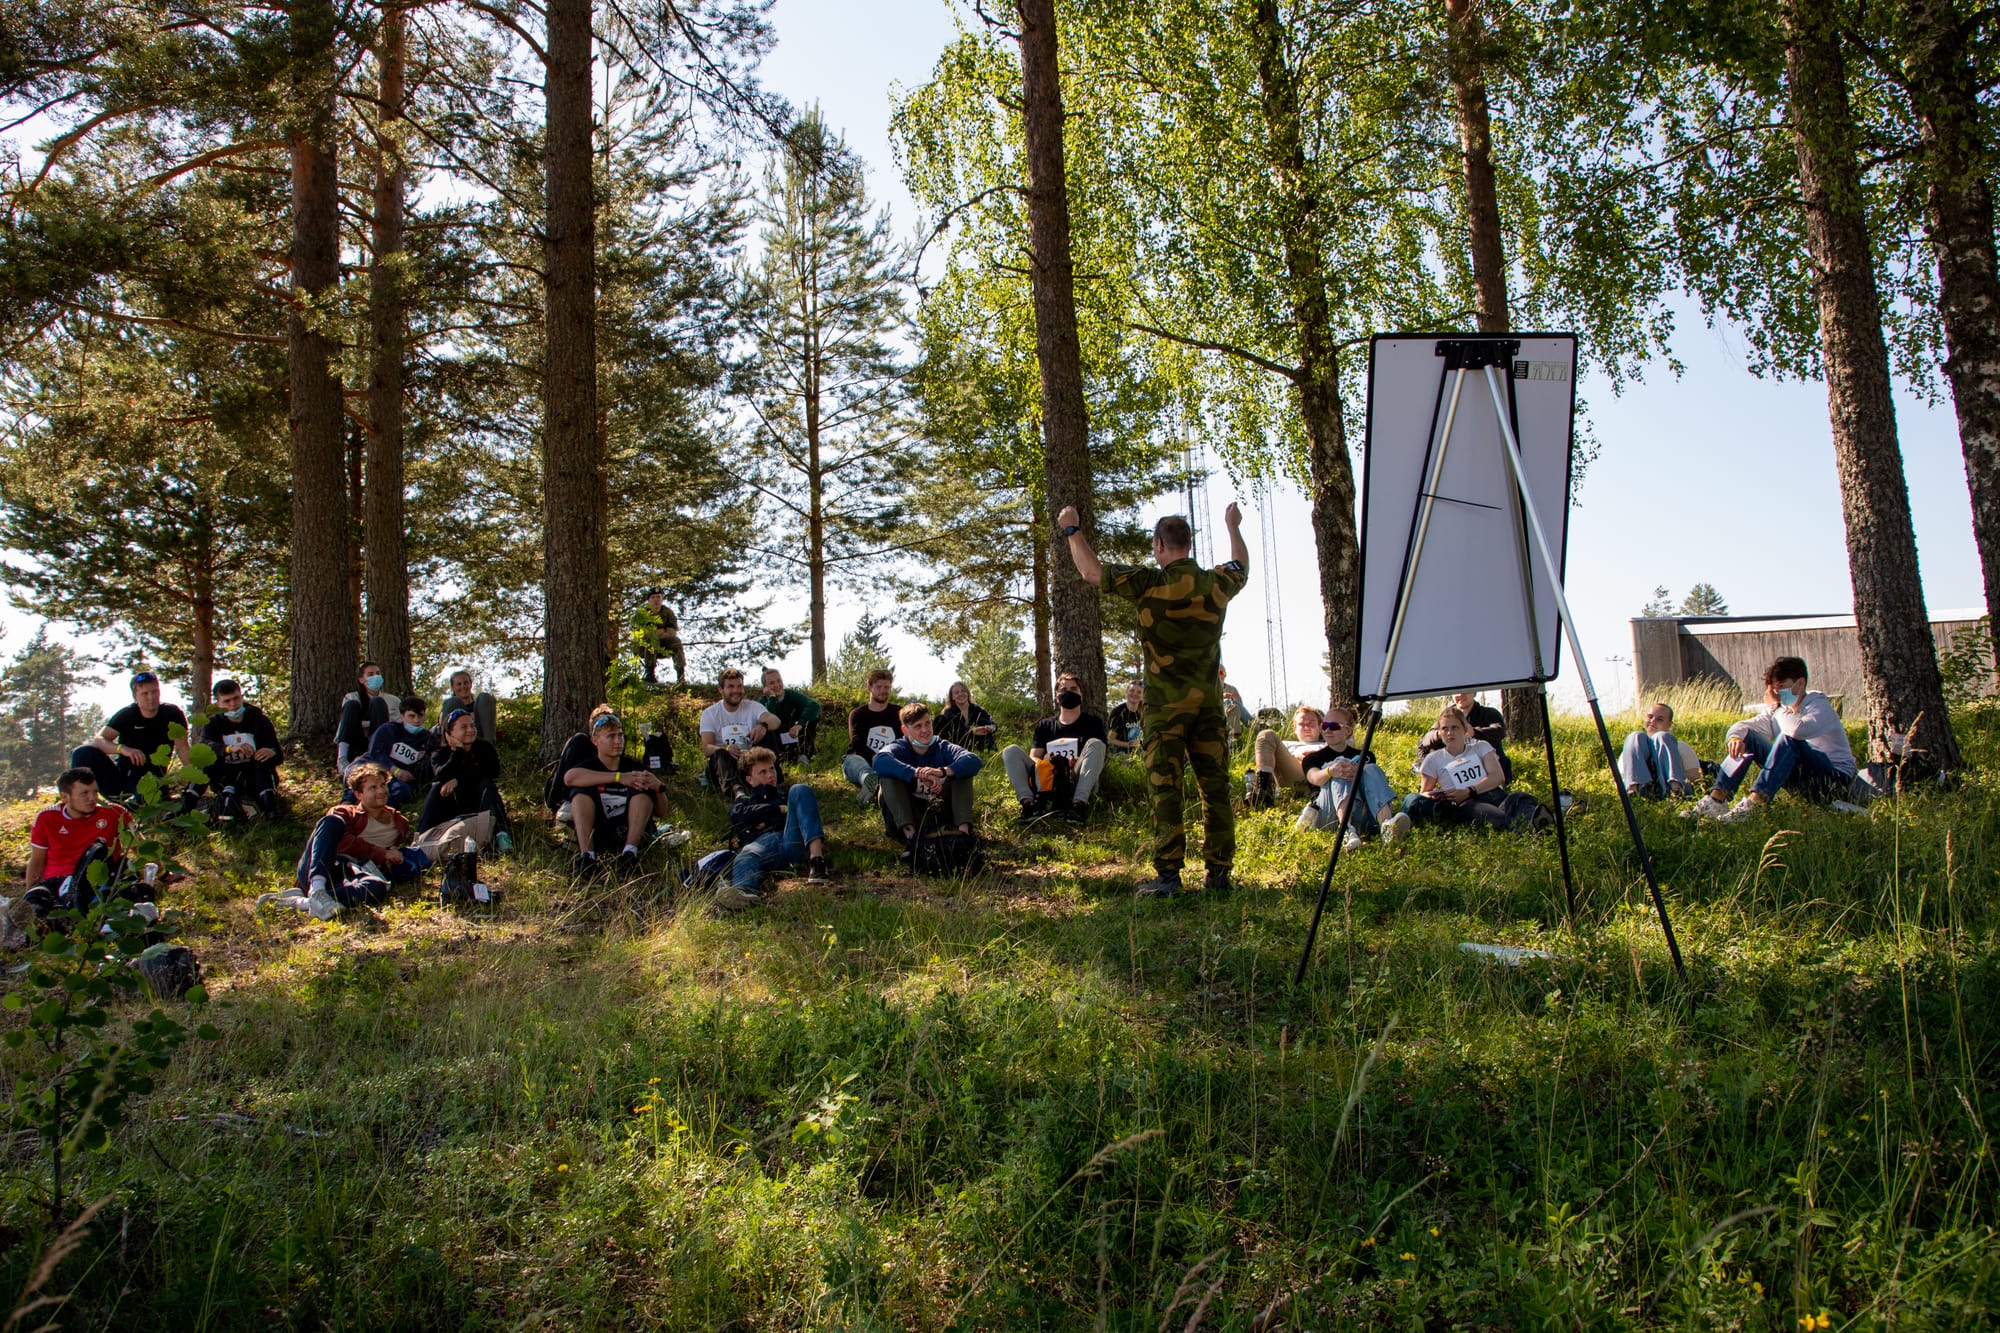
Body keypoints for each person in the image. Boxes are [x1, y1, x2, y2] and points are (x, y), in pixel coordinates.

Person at [1064, 503, 1248, 898]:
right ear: (1188, 544)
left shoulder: (1148, 582)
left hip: (1164, 712)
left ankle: (1169, 877)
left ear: (1160, 545)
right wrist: (1232, 525)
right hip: (1209, 710)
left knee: (1166, 790)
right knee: (1215, 789)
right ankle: (1218, 875)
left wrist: (1071, 530)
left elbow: (1090, 572)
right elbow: (1240, 564)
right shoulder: (1216, 583)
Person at [1685, 656, 1857, 822]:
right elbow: (1744, 726)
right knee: (1747, 738)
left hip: (1834, 779)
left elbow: (1797, 730)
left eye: (1782, 687)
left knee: (1788, 739)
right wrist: (1735, 738)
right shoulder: (1781, 711)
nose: (1777, 694)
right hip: (1801, 777)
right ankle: (1716, 800)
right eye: (1774, 690)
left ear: (1801, 683)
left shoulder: (1818, 705)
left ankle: (1756, 803)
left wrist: (1775, 707)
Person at [275, 762, 425, 921]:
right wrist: (382, 853)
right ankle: (316, 889)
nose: (381, 791)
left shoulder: (400, 822)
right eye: (373, 788)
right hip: (325, 865)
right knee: (331, 821)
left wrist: (392, 856)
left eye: (383, 785)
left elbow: (387, 856)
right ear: (358, 795)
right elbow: (343, 843)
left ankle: (302, 903)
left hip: (355, 872)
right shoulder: (343, 813)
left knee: (377, 887)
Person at [19, 768, 142, 927]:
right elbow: (37, 860)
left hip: (98, 880)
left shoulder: (114, 813)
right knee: (36, 905)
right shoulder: (47, 818)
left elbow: (141, 847)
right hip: (57, 882)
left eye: (95, 792)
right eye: (84, 793)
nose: (92, 798)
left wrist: (162, 873)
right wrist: (30, 891)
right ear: (65, 797)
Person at [715, 746, 830, 911]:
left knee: (800, 789)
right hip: (762, 846)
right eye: (762, 772)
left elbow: (801, 814)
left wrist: (766, 816)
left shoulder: (787, 796)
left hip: (790, 839)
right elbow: (738, 816)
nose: (770, 775)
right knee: (746, 855)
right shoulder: (744, 802)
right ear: (749, 779)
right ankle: (744, 894)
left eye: (772, 769)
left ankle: (817, 862)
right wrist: (777, 810)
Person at [556, 706, 663, 876]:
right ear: (595, 741)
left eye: (620, 735)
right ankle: (587, 857)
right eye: (611, 736)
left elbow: (662, 812)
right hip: (599, 830)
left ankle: (629, 855)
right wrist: (618, 778)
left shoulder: (634, 767)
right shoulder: (588, 767)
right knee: (580, 795)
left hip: (627, 830)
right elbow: (570, 778)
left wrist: (659, 787)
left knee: (642, 794)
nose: (618, 741)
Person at [1405, 705, 1549, 832]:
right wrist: (1440, 796)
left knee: (1519, 798)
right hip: (1468, 803)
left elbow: (1498, 776)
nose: (1450, 733)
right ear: (1440, 732)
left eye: (1455, 728)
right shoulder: (1434, 759)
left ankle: (1537, 820)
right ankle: (1531, 826)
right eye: (1445, 729)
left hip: (1495, 794)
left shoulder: (1481, 747)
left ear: (1465, 729)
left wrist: (1470, 790)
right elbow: (1424, 793)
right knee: (1482, 812)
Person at [1001, 671, 1109, 824]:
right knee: (1010, 751)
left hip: (1077, 779)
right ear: (1057, 697)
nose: (1069, 693)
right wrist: (1047, 763)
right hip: (1047, 780)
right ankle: (1030, 805)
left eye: (1073, 689)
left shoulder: (1093, 723)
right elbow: (1034, 756)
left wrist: (1075, 762)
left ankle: (1078, 806)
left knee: (1096, 744)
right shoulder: (1045, 725)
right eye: (1064, 690)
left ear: (1081, 695)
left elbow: (1099, 754)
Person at [872, 702, 983, 847]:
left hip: (939, 813)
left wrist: (942, 771)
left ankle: (963, 834)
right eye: (917, 726)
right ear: (905, 730)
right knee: (888, 775)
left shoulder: (942, 746)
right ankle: (912, 839)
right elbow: (879, 760)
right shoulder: (899, 747)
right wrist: (917, 773)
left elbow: (974, 760)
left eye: (927, 723)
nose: (925, 730)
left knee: (962, 770)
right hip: (911, 816)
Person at [1299, 706, 1412, 848]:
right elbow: (1314, 777)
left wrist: (1358, 770)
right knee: (1341, 765)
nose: (1327, 730)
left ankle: (1387, 825)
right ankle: (1346, 831)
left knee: (1370, 769)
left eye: (1333, 726)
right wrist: (1330, 771)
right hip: (1328, 815)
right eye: (1324, 726)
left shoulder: (1366, 756)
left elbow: (1371, 786)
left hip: (1361, 813)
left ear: (1348, 731)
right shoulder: (1313, 758)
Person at [70, 670, 191, 802]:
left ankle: (132, 807)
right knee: (81, 752)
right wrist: (123, 749)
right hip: (121, 777)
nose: (151, 697)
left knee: (142, 798)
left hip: (152, 778)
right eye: (145, 694)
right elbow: (98, 740)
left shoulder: (172, 714)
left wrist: (194, 780)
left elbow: (182, 748)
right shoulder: (128, 714)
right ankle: (80, 800)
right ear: (135, 696)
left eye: (154, 692)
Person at [420, 709, 512, 851]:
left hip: (479, 803)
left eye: (472, 725)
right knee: (437, 787)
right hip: (452, 805)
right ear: (449, 733)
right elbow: (440, 775)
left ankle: (501, 834)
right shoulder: (440, 753)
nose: (470, 730)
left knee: (487, 784)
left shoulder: (484, 748)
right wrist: (458, 751)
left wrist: (458, 780)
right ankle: (422, 838)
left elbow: (491, 771)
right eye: (464, 727)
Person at [198, 678, 284, 823]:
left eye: (236, 698)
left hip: (256, 775)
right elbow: (205, 746)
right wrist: (228, 749)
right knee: (206, 767)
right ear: (218, 704)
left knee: (261, 761)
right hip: (226, 776)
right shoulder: (213, 724)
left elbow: (278, 754)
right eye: (226, 701)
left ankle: (270, 810)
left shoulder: (260, 720)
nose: (233, 705)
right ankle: (187, 807)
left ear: (241, 697)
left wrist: (271, 752)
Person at [700, 668, 782, 798]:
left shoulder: (752, 706)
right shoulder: (710, 713)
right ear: (721, 689)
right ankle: (738, 792)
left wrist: (763, 725)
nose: (736, 691)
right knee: (719, 754)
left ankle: (770, 783)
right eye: (730, 687)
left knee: (769, 733)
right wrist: (727, 749)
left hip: (750, 762)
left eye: (739, 686)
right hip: (726, 763)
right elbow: (707, 747)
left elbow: (775, 721)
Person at [1417, 690, 1514, 783]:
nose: (1460, 695)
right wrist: (1442, 733)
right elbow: (1426, 740)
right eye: (1456, 692)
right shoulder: (1447, 716)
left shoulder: (1489, 713)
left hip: (1487, 772)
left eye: (1465, 692)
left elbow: (1500, 731)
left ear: (1474, 693)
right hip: (1457, 773)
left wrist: (1474, 732)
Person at [1246, 705, 1333, 808]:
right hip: (1289, 777)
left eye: (1311, 724)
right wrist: (1295, 756)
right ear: (1295, 729)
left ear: (1320, 728)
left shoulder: (1326, 745)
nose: (1306, 728)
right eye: (1301, 724)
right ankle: (1264, 792)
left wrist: (1313, 757)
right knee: (1266, 734)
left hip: (1316, 778)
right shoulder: (1284, 745)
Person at [1617, 702, 1702, 799]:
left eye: (1660, 719)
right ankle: (1635, 789)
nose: (1652, 721)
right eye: (1650, 717)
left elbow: (1695, 778)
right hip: (1642, 793)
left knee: (1662, 737)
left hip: (1671, 791)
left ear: (1669, 724)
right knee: (1635, 736)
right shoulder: (1631, 748)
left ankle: (1675, 788)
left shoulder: (1681, 747)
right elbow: (1621, 778)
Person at [363, 695, 435, 807]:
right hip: (374, 769)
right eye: (411, 716)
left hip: (402, 781)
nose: (416, 720)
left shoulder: (428, 738)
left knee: (402, 791)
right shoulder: (388, 730)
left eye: (420, 716)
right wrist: (395, 770)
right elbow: (376, 753)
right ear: (402, 716)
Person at [844, 668, 902, 806]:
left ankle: (877, 790)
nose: (883, 691)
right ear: (869, 687)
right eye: (879, 687)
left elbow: (903, 740)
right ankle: (870, 780)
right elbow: (856, 741)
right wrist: (875, 756)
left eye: (887, 687)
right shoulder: (858, 714)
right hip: (859, 759)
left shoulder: (899, 713)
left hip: (889, 761)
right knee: (859, 765)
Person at [334, 661, 401, 775]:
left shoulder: (393, 700)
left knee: (378, 702)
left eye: (378, 673)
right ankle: (342, 759)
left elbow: (396, 725)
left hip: (379, 742)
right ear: (361, 680)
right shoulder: (352, 697)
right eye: (370, 674)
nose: (375, 677)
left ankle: (376, 756)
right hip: (356, 742)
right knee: (352, 705)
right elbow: (347, 723)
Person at [758, 667, 823, 762]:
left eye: (779, 681)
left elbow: (814, 706)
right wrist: (772, 698)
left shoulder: (791, 695)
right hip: (777, 740)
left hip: (794, 735)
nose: (776, 685)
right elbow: (768, 719)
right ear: (765, 687)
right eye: (772, 683)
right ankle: (777, 757)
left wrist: (799, 724)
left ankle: (804, 754)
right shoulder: (762, 702)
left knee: (812, 718)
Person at [637, 589, 686, 685]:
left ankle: (680, 676)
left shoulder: (668, 613)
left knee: (676, 641)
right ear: (649, 600)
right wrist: (662, 631)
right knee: (651, 640)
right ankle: (649, 675)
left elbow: (671, 632)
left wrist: (655, 633)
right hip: (643, 647)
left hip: (663, 645)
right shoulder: (641, 613)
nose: (656, 600)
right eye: (653, 597)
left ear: (662, 599)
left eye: (658, 597)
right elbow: (643, 633)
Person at [937, 681, 999, 752]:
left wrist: (991, 728)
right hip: (960, 749)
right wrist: (973, 730)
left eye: (963, 691)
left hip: (983, 746)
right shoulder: (949, 712)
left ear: (967, 693)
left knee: (984, 725)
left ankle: (990, 754)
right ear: (952, 697)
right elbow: (954, 732)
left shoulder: (977, 709)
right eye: (957, 693)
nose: (960, 694)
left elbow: (993, 724)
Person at [440, 670, 498, 744]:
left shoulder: (481, 705)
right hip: (458, 742)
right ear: (453, 687)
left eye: (465, 683)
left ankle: (489, 750)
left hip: (480, 741)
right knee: (453, 701)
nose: (463, 686)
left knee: (484, 697)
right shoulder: (450, 705)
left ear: (471, 684)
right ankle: (447, 749)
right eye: (459, 684)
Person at [1107, 681, 1145, 755]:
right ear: (1127, 692)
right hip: (1120, 752)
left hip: (1140, 752)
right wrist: (1128, 744)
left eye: (1139, 692)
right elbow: (1110, 739)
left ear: (1142, 696)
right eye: (1132, 690)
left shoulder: (1144, 712)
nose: (1135, 694)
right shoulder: (1117, 712)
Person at [1220, 683, 1253, 749]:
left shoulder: (1232, 689)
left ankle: (1232, 741)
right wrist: (1222, 696)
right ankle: (1254, 724)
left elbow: (1241, 706)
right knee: (1228, 702)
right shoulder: (1211, 687)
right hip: (1218, 714)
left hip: (1232, 716)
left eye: (1222, 673)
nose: (1220, 675)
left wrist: (1234, 700)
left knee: (1234, 705)